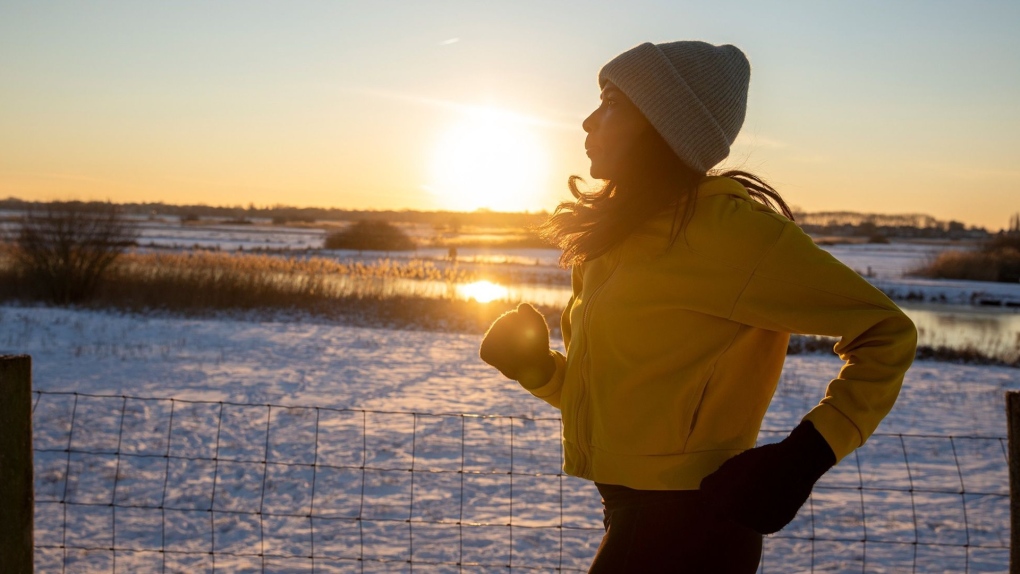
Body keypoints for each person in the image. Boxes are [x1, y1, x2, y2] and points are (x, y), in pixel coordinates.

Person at [479, 40, 917, 573]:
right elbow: (635, 399)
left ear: (663, 123)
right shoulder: (615, 241)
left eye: (612, 101)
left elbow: (887, 332)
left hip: (698, 526)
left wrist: (806, 456)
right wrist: (541, 371)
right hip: (630, 516)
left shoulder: (733, 236)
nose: (589, 120)